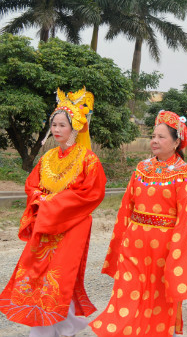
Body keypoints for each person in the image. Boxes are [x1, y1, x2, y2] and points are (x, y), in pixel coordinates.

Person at [0, 88, 106, 337]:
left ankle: (50, 328)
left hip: (72, 225)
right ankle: (63, 325)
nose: (56, 129)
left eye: (62, 125)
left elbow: (91, 194)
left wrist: (50, 202)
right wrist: (41, 200)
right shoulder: (47, 157)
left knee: (59, 275)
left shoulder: (88, 160)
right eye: (54, 125)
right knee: (36, 273)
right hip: (46, 222)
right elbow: (32, 185)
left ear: (75, 128)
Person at [91, 111, 187, 337]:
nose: (154, 141)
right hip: (134, 242)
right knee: (126, 291)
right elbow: (126, 207)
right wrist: (120, 242)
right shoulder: (141, 168)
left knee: (158, 295)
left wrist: (177, 255)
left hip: (164, 247)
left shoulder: (184, 174)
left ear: (176, 142)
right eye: (153, 136)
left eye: (161, 137)